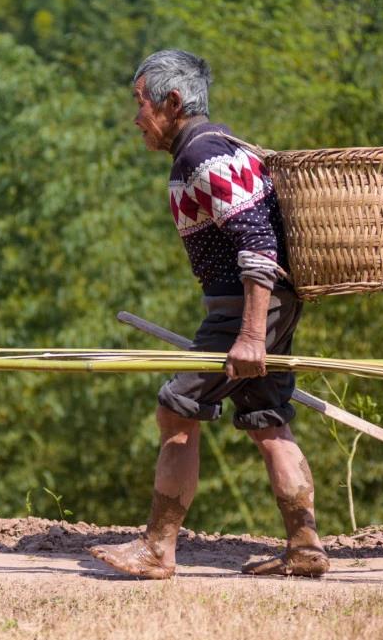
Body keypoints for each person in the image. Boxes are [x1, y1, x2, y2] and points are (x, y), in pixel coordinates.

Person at [88, 49, 329, 579]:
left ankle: (157, 548)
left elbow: (259, 244)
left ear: (172, 102)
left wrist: (249, 334)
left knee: (177, 408)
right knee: (267, 420)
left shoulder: (204, 153)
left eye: (141, 103)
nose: (136, 119)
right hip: (267, 306)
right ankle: (305, 545)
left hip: (245, 307)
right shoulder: (209, 150)